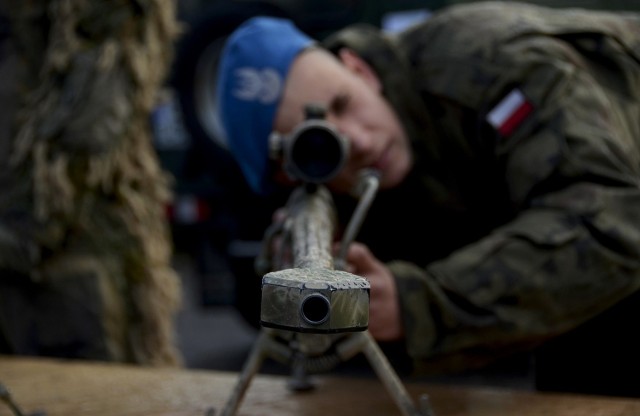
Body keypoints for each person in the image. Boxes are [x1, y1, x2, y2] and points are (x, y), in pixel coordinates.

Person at [211, 2, 640, 396]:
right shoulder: (356, 181)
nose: (357, 141)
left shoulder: (489, 62)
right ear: (292, 176)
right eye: (321, 150)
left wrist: (415, 306)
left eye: (343, 104)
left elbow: (612, 227)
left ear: (360, 70)